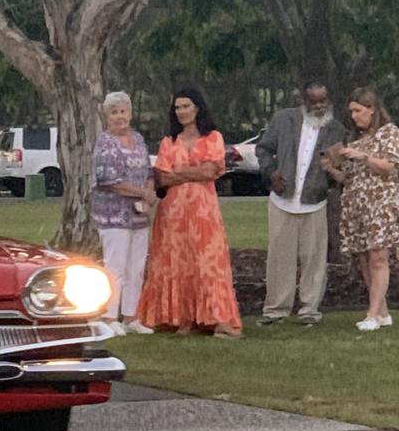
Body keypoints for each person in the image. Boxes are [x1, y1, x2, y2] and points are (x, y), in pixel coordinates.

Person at [137, 88, 243, 338]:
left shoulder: (212, 137)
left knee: (207, 262)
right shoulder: (168, 142)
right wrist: (191, 172)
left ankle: (216, 318)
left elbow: (211, 171)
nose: (182, 112)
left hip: (203, 211)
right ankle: (183, 318)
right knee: (178, 261)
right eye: (177, 107)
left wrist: (179, 174)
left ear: (197, 108)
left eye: (186, 106)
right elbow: (162, 177)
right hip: (172, 212)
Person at [255, 82, 346, 327]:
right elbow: (263, 148)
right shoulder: (284, 120)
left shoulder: (336, 130)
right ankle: (276, 310)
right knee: (279, 259)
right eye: (313, 101)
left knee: (314, 260)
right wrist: (271, 173)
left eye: (323, 101)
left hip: (314, 202)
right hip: (282, 200)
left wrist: (330, 174)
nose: (318, 106)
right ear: (303, 102)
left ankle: (309, 310)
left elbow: (339, 169)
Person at [320, 87, 399, 331]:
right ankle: (382, 312)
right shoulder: (356, 140)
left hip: (380, 204)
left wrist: (362, 156)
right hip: (357, 204)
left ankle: (372, 314)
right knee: (364, 259)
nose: (354, 116)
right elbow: (350, 178)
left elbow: (388, 167)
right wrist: (332, 169)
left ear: (372, 110)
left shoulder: (389, 133)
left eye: (358, 110)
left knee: (378, 257)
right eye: (351, 111)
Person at [91, 91, 157, 336]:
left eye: (123, 111)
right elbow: (109, 180)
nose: (120, 117)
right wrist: (140, 192)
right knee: (115, 265)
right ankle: (109, 316)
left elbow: (149, 171)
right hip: (113, 214)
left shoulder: (138, 139)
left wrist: (149, 193)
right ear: (107, 116)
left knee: (137, 265)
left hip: (138, 215)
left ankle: (131, 316)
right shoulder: (105, 142)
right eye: (115, 112)